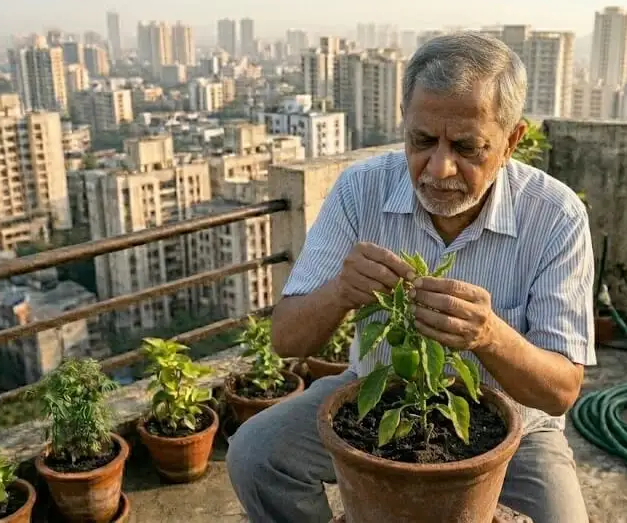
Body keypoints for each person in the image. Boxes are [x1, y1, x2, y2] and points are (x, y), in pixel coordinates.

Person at [227, 31, 594, 523]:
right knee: (256, 454)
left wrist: (489, 336)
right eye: (422, 141)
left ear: (510, 141)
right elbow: (287, 338)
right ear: (405, 124)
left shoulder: (555, 215)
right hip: (375, 395)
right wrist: (340, 292)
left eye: (466, 147)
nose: (439, 168)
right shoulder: (361, 190)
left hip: (514, 426)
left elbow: (560, 390)